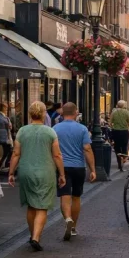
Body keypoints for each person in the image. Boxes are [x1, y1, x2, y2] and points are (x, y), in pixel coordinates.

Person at [8, 101, 66, 251]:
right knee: (42, 206)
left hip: (26, 171)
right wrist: (62, 174)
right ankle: (36, 237)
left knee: (31, 205)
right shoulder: (50, 132)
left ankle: (31, 234)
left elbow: (16, 153)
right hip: (45, 171)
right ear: (43, 114)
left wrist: (11, 172)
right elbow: (57, 155)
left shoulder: (22, 131)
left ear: (30, 114)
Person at [53, 102, 97, 240]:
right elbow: (87, 149)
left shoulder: (55, 129)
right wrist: (93, 169)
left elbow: (53, 151)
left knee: (65, 196)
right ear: (75, 112)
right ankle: (73, 227)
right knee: (76, 197)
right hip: (78, 166)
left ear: (62, 113)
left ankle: (67, 219)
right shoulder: (82, 129)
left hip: (62, 167)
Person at [110, 99, 129, 170]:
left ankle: (119, 163)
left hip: (116, 131)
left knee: (117, 147)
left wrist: (113, 128)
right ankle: (124, 161)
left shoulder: (113, 112)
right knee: (124, 147)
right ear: (123, 106)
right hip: (124, 131)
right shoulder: (126, 112)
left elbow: (110, 122)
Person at [0, 102, 14, 171]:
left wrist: (9, 125)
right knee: (7, 151)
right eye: (5, 107)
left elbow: (9, 126)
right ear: (2, 108)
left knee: (8, 151)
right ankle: (2, 165)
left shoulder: (6, 116)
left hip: (7, 135)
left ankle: (2, 165)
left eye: (6, 107)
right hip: (1, 136)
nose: (6, 109)